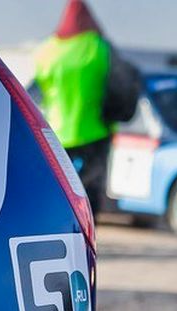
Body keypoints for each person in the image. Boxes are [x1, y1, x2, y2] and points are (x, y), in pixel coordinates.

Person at [34, 0, 115, 215]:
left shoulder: (46, 50)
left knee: (57, 187)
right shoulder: (98, 47)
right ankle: (88, 226)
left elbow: (36, 91)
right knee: (90, 188)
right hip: (93, 131)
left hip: (55, 133)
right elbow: (117, 86)